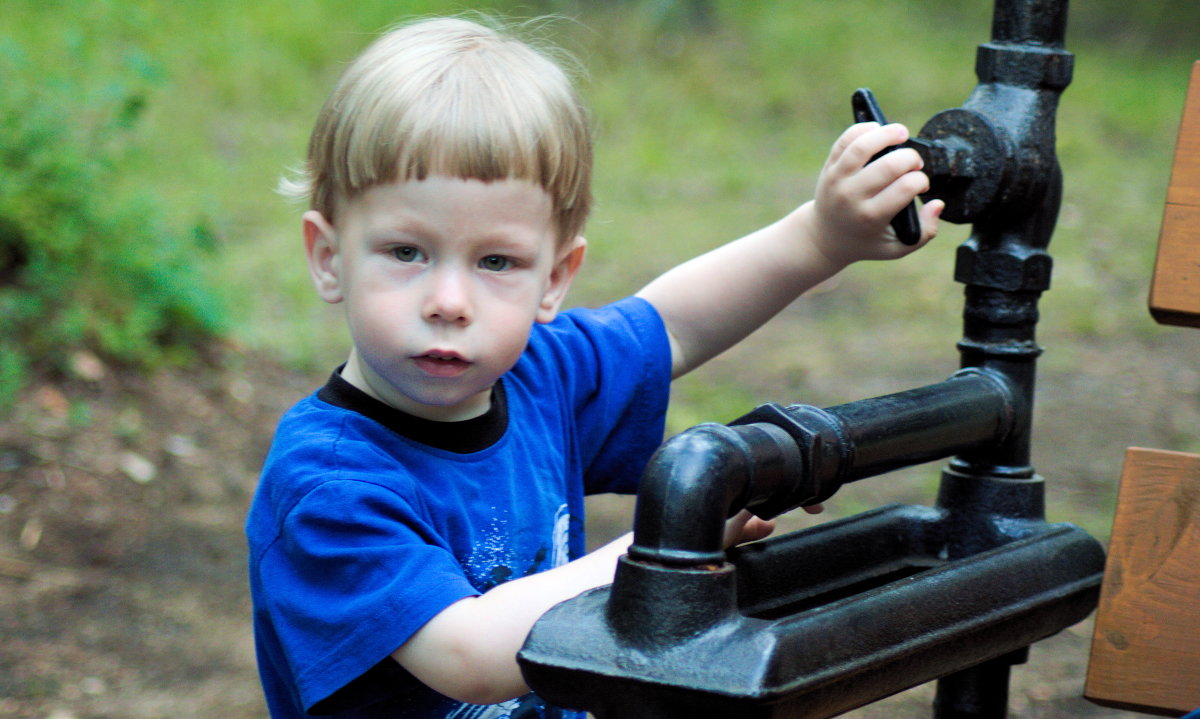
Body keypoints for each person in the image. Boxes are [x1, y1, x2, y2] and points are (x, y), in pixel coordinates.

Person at [245, 15, 943, 719]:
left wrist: (821, 236)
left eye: (496, 262)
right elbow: (468, 655)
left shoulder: (537, 376)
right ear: (329, 258)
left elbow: (671, 323)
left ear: (555, 276)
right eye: (405, 252)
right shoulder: (328, 481)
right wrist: (661, 548)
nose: (449, 301)